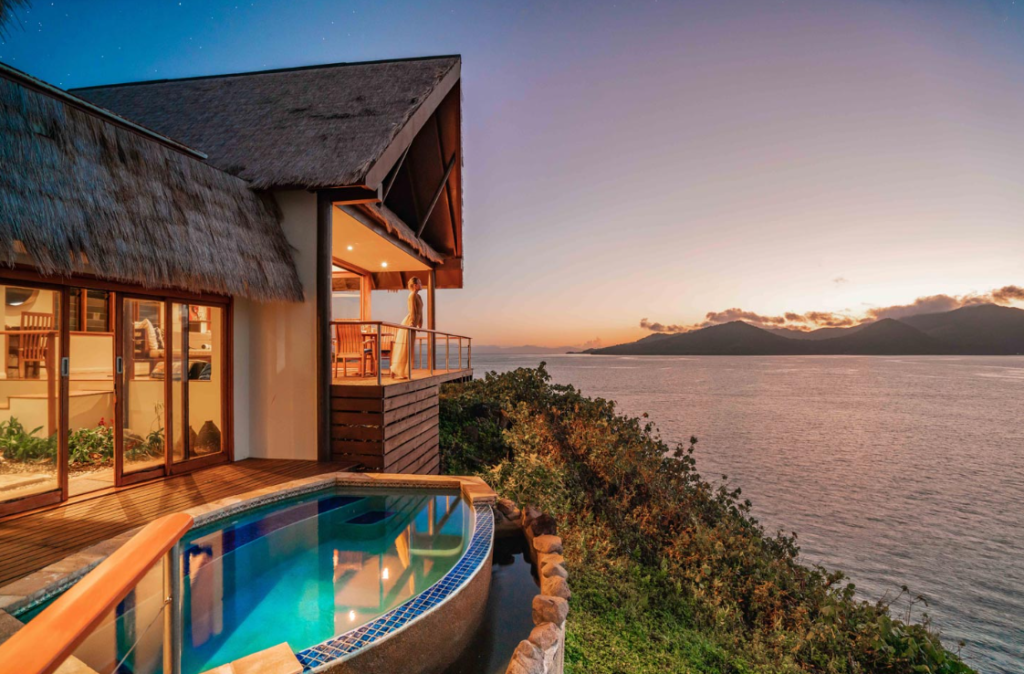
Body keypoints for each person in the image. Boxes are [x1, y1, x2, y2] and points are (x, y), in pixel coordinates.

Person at [390, 277, 423, 380]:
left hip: (414, 323)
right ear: (414, 285)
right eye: (419, 283)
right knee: (405, 349)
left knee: (409, 349)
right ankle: (394, 370)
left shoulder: (419, 296)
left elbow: (420, 311)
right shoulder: (412, 295)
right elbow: (412, 310)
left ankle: (403, 371)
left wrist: (420, 323)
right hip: (409, 322)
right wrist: (413, 323)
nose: (421, 284)